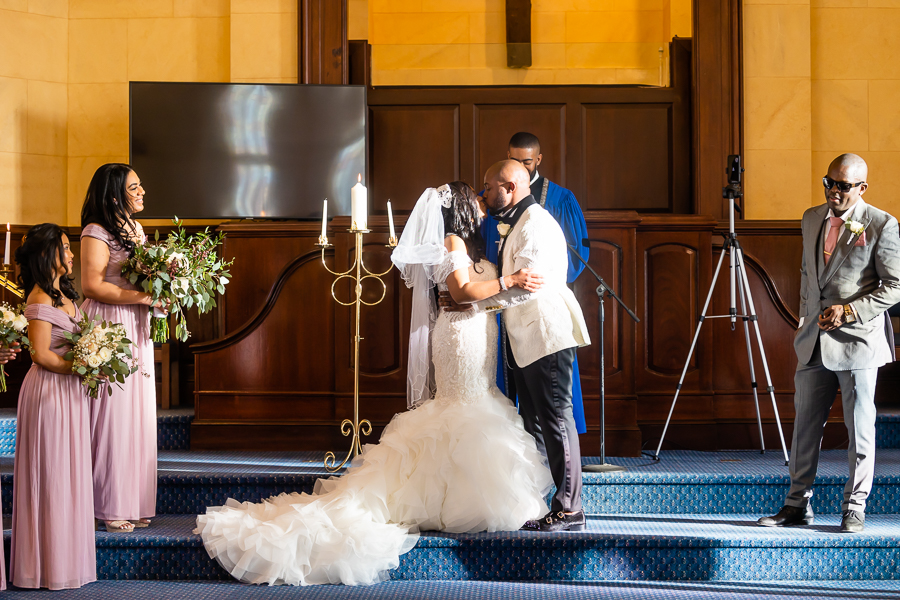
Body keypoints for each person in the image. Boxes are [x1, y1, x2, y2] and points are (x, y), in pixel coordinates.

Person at [195, 181, 552, 586]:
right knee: (460, 406)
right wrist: (509, 281)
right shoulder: (453, 242)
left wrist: (491, 292)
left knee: (474, 403)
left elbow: (469, 294)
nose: (484, 205)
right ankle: (446, 499)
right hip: (459, 339)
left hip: (474, 333)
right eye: (477, 199)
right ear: (463, 210)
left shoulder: (466, 245)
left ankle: (451, 495)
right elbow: (461, 290)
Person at [758, 154, 900, 533]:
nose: (834, 191)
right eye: (830, 182)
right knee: (804, 428)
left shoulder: (882, 224)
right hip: (812, 341)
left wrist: (848, 311)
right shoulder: (810, 218)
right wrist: (805, 321)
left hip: (857, 341)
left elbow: (895, 286)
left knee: (859, 429)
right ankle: (796, 505)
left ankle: (854, 507)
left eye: (844, 185)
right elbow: (809, 273)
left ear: (862, 188)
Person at [476, 160, 591, 532]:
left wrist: (472, 305)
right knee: (538, 424)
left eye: (488, 187)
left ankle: (570, 508)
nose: (484, 193)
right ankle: (548, 500)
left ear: (509, 186)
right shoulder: (521, 220)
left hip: (545, 333)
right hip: (529, 336)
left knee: (557, 419)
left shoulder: (536, 224)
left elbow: (523, 288)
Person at [480, 132, 591, 435]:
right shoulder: (496, 198)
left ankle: (567, 483)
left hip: (532, 311)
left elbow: (574, 254)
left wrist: (541, 285)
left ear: (538, 160)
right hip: (504, 303)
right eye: (514, 160)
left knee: (551, 413)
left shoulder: (556, 202)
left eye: (526, 162)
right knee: (532, 413)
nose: (520, 166)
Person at [10, 223, 96, 589]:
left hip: (70, 393)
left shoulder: (68, 299)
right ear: (48, 255)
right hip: (48, 392)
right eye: (65, 247)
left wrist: (95, 362)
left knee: (70, 472)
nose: (72, 253)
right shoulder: (39, 300)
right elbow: (41, 354)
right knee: (51, 473)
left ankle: (67, 558)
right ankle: (44, 566)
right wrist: (83, 368)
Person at [80, 163, 163, 533]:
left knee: (137, 413)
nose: (142, 191)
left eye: (140, 185)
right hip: (110, 323)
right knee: (112, 417)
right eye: (134, 187)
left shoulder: (137, 228)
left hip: (136, 322)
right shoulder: (96, 231)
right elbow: (92, 286)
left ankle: (135, 500)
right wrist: (146, 296)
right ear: (114, 194)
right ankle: (108, 503)